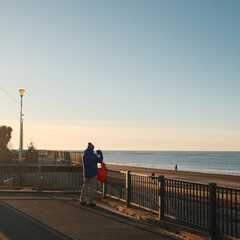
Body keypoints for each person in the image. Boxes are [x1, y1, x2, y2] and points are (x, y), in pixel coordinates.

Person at [80, 142, 103, 207]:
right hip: (93, 173)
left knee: (84, 187)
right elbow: (100, 160)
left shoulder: (84, 154)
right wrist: (101, 154)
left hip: (86, 173)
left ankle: (82, 200)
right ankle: (91, 202)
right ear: (92, 148)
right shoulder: (93, 155)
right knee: (92, 188)